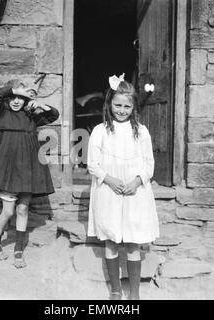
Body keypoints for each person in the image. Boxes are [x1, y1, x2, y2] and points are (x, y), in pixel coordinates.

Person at [87, 74, 159, 300]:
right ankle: (116, 290)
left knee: (132, 241)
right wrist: (110, 179)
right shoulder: (100, 130)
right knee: (111, 238)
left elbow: (149, 164)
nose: (121, 110)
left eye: (127, 106)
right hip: (109, 191)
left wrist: (137, 181)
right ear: (109, 104)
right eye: (117, 105)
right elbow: (92, 164)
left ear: (133, 107)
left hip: (134, 193)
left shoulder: (141, 131)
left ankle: (134, 292)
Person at [0, 79, 59, 268]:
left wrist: (41, 104)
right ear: (8, 99)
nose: (17, 101)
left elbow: (54, 115)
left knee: (23, 209)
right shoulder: (2, 113)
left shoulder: (31, 116)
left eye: (21, 98)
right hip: (8, 170)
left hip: (28, 169)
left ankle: (18, 249)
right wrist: (19, 90)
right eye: (14, 98)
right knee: (8, 211)